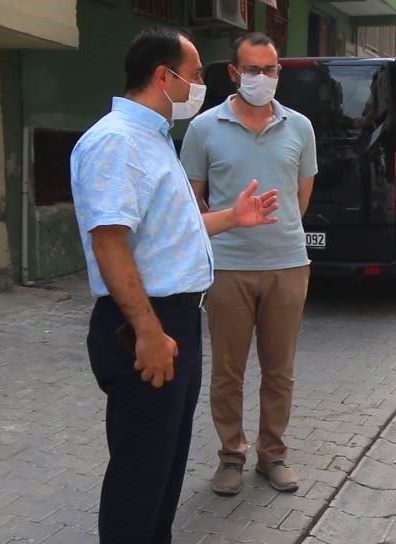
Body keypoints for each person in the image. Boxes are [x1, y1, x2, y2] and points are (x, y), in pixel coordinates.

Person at [70, 28, 279, 543]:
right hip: (146, 323)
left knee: (164, 464)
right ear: (163, 77)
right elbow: (110, 244)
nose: (197, 86)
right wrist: (147, 330)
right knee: (140, 471)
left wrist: (233, 217)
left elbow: (170, 230)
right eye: (193, 74)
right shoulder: (116, 141)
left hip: (176, 319)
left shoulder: (154, 138)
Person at [180, 32, 317, 496]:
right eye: (253, 70)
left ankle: (272, 455)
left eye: (271, 69)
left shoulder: (299, 127)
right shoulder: (203, 128)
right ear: (235, 74)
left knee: (280, 370)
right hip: (227, 269)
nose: (263, 77)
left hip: (287, 266)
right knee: (228, 370)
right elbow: (191, 202)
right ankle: (231, 456)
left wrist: (276, 233)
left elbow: (301, 195)